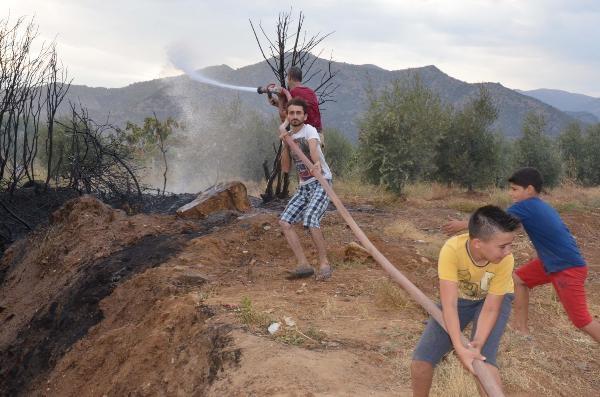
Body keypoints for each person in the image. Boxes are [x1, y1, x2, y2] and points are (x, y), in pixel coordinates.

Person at [444, 167, 600, 343]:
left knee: (582, 320)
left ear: (530, 189)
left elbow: (495, 221)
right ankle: (521, 329)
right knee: (519, 279)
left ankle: (521, 328)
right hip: (553, 261)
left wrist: (462, 224)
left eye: (515, 189)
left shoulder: (526, 206)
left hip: (566, 267)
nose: (511, 193)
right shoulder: (536, 206)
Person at [412, 205, 520, 397]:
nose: (508, 251)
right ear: (478, 243)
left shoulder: (506, 259)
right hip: (459, 301)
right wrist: (459, 346)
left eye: (510, 244)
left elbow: (491, 308)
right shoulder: (452, 249)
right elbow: (450, 304)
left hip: (494, 301)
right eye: (503, 246)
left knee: (483, 363)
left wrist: (475, 345)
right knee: (421, 362)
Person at [277, 98, 333, 281]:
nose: (294, 116)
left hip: (321, 182)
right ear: (287, 115)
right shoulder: (289, 137)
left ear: (305, 116)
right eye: (291, 113)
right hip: (304, 187)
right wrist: (285, 144)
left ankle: (324, 264)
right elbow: (285, 168)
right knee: (285, 222)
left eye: (298, 113)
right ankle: (303, 265)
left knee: (310, 218)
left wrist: (316, 162)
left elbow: (313, 148)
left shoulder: (310, 130)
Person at [267, 66, 324, 144]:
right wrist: (273, 100)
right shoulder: (311, 92)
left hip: (305, 137)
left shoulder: (293, 93)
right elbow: (291, 106)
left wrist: (280, 98)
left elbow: (284, 117)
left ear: (289, 78)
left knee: (285, 143)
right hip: (319, 136)